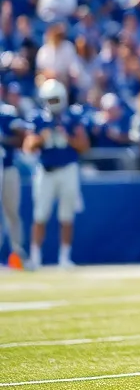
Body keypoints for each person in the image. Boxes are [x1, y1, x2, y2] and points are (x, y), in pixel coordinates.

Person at [24, 79, 90, 269]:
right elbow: (27, 146)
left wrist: (67, 138)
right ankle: (35, 258)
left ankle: (64, 258)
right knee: (40, 215)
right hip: (46, 170)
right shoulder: (38, 118)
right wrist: (40, 138)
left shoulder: (72, 116)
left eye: (55, 99)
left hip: (68, 169)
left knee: (67, 215)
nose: (52, 104)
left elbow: (84, 146)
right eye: (49, 99)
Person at [0, 97, 27, 263]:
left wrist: (3, 140)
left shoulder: (6, 112)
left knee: (12, 212)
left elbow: (21, 138)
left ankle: (17, 253)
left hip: (8, 167)